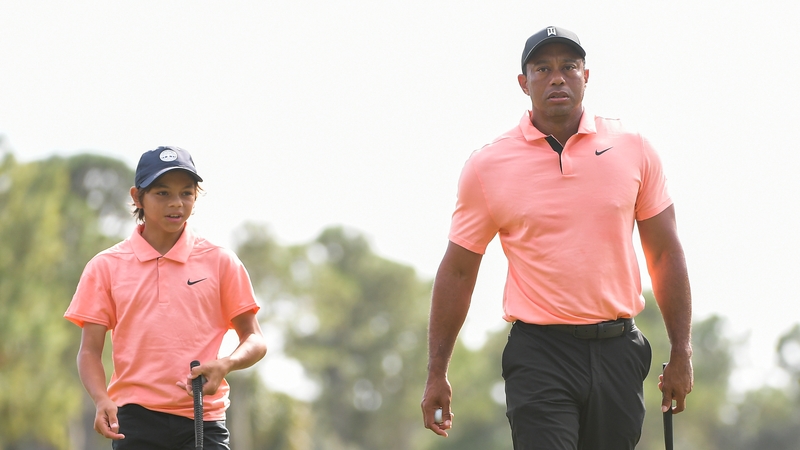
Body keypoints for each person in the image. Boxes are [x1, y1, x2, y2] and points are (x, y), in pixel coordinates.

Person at [421, 26, 693, 449]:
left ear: (587, 75)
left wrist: (682, 351)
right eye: (542, 68)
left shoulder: (634, 149)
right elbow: (457, 271)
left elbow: (665, 253)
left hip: (619, 349)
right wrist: (437, 371)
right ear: (523, 82)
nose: (557, 77)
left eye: (569, 66)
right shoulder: (488, 166)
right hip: (540, 353)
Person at [64, 146, 267, 449]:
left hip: (203, 419)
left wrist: (226, 363)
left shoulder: (221, 261)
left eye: (186, 193)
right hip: (134, 420)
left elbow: (255, 339)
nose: (176, 204)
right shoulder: (105, 266)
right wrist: (100, 397)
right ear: (137, 197)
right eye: (162, 193)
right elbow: (90, 351)